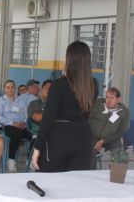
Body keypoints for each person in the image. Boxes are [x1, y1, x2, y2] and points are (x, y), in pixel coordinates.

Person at [31, 41, 98, 172]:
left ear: (69, 59)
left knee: (51, 183)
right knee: (75, 185)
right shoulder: (93, 84)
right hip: (83, 139)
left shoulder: (59, 84)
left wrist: (37, 147)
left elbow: (48, 118)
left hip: (59, 139)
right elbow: (87, 112)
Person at [0, 80, 32, 172]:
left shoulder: (21, 101)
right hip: (6, 125)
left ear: (15, 88)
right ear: (5, 89)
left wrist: (23, 123)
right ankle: (11, 159)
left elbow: (26, 115)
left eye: (12, 87)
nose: (10, 89)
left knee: (33, 135)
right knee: (16, 134)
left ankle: (30, 159)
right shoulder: (1, 100)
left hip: (21, 125)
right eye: (8, 87)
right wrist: (12, 123)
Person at [89, 87, 130, 169]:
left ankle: (116, 175)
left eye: (112, 97)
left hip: (112, 138)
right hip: (93, 135)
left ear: (118, 99)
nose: (108, 100)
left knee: (119, 154)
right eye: (107, 97)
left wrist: (103, 140)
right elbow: (88, 118)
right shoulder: (98, 104)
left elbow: (121, 131)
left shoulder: (124, 111)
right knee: (89, 152)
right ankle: (89, 174)